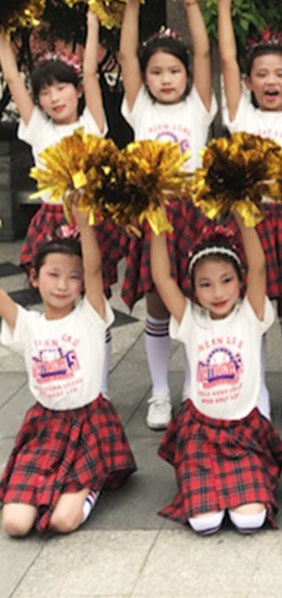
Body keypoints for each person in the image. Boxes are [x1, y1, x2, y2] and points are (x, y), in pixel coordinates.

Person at [0, 11, 122, 393]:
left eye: (61, 88)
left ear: (78, 91)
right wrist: (4, 27)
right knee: (60, 297)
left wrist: (92, 26)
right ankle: (64, 367)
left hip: (92, 218)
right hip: (53, 219)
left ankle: (98, 386)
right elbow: (12, 78)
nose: (54, 98)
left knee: (95, 300)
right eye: (45, 93)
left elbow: (90, 75)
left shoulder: (92, 124)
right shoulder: (37, 127)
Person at [0, 199, 136, 536]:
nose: (63, 285)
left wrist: (84, 222)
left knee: (63, 521)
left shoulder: (91, 316)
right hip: (45, 428)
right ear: (33, 278)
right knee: (15, 524)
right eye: (53, 275)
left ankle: (94, 481)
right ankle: (46, 484)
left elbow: (94, 269)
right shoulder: (29, 325)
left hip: (89, 423)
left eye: (72, 278)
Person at [150, 210, 282, 535]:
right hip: (201, 435)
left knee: (250, 519)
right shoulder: (191, 320)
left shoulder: (251, 314)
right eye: (206, 284)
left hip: (245, 434)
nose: (218, 292)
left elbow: (259, 267)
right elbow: (161, 279)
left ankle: (248, 481)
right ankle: (203, 484)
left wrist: (244, 219)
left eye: (227, 280)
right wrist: (155, 219)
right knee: (204, 522)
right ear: (194, 290)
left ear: (240, 281)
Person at [118, 0, 217, 430]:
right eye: (156, 71)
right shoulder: (139, 108)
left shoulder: (200, 107)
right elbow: (124, 58)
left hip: (195, 212)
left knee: (200, 301)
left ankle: (196, 382)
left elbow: (202, 53)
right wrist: (133, 1)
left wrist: (193, 2)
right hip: (154, 214)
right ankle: (160, 391)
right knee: (158, 304)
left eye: (173, 71)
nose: (165, 79)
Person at [217, 0, 282, 427]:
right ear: (248, 81)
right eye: (261, 73)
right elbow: (224, 60)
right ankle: (256, 388)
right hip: (250, 219)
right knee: (251, 307)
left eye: (280, 73)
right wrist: (222, 4)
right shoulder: (240, 115)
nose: (271, 81)